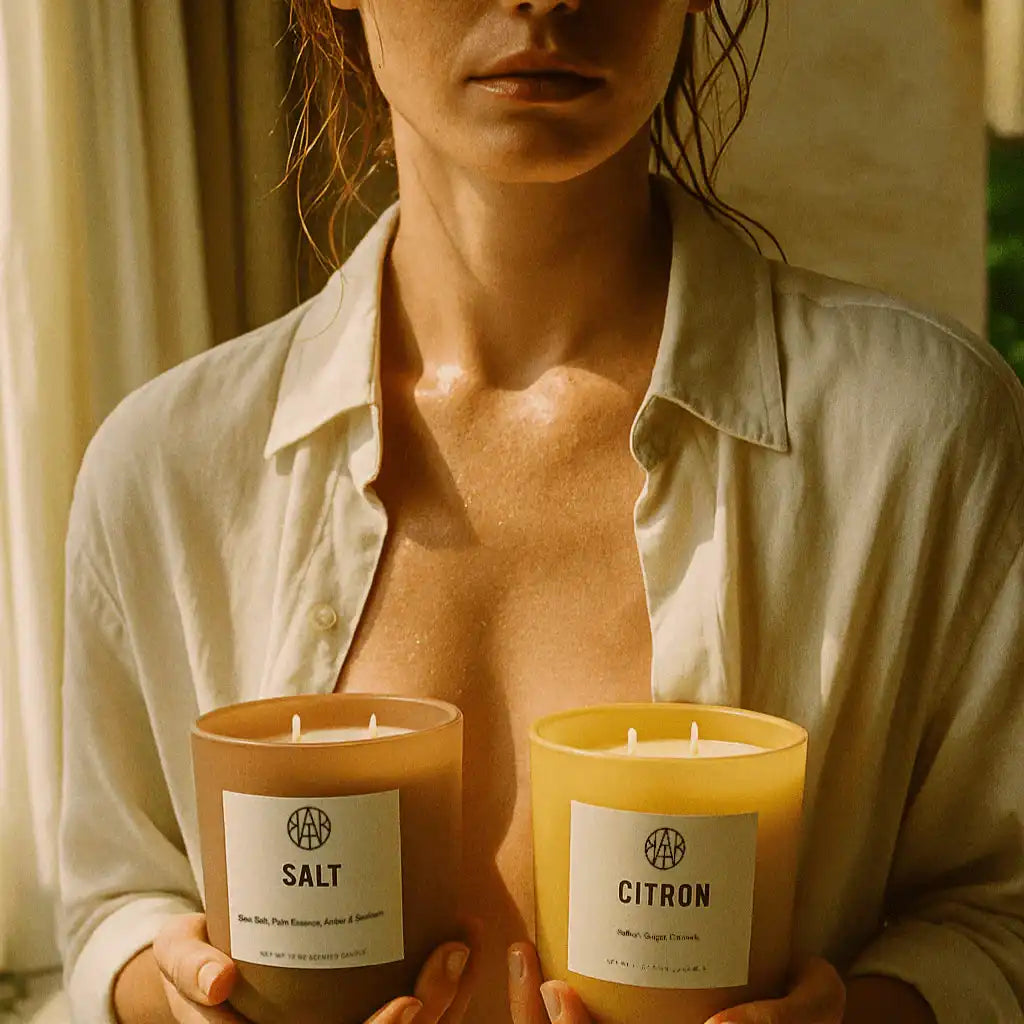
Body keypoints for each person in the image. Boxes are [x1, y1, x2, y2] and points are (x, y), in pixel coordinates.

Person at [57, 0, 1024, 1022]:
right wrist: (185, 998)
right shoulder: (169, 468)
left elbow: (999, 916)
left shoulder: (916, 435)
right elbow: (115, 906)